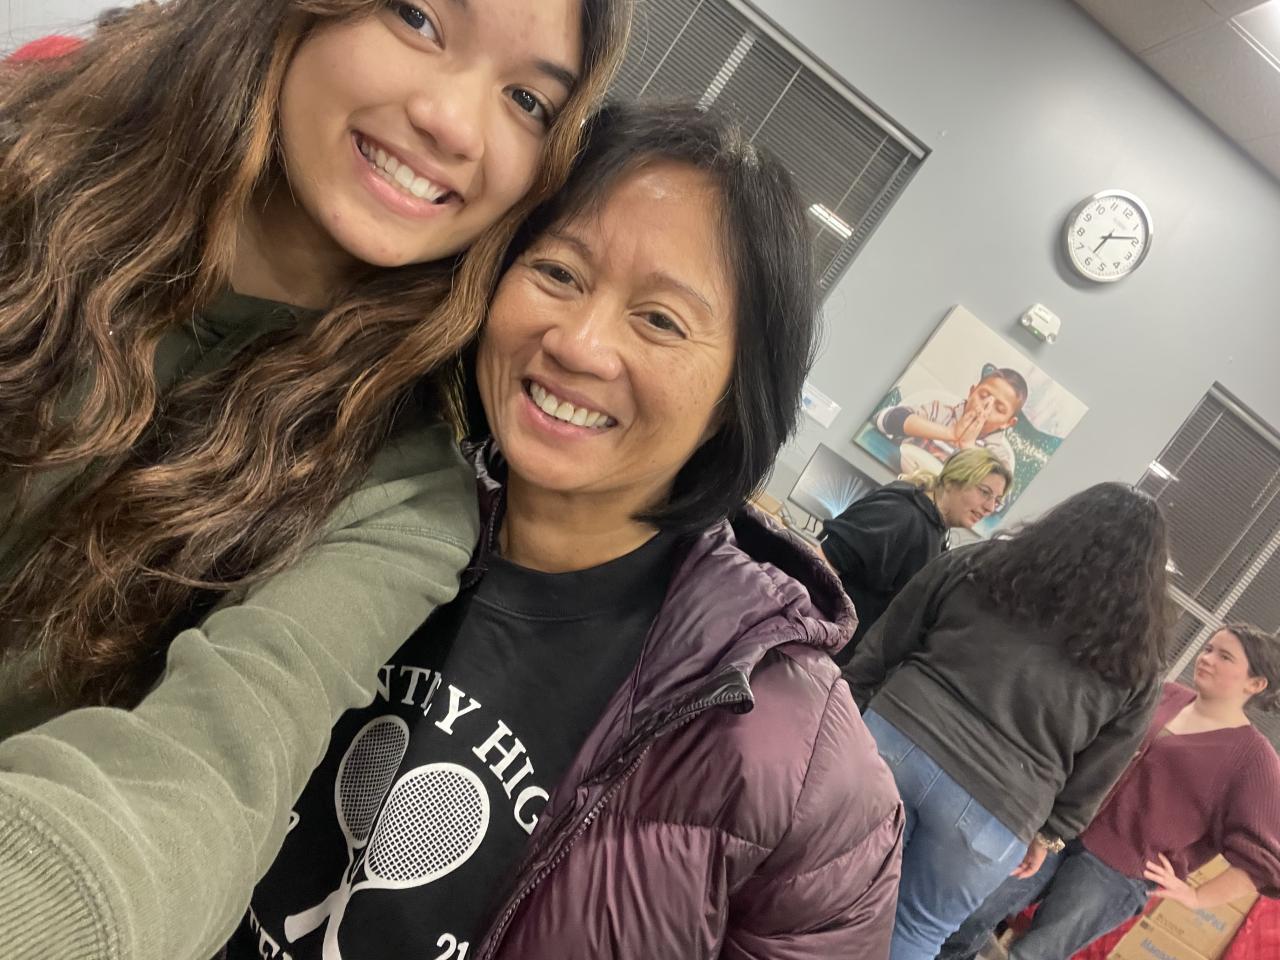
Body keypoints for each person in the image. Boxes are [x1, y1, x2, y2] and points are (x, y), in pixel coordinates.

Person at [0, 2, 631, 958]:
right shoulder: (29, 168)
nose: (454, 126)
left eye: (528, 100)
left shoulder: (400, 493)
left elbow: (211, 775)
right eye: (419, 18)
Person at [227, 101, 904, 960]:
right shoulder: (325, 495)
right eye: (558, 272)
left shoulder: (803, 770)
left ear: (739, 396)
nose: (579, 343)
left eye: (660, 320)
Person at [843, 482, 1173, 960]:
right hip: (999, 808)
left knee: (823, 883)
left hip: (896, 740)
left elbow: (894, 632)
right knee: (916, 930)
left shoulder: (983, 565)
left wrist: (849, 698)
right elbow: (1104, 765)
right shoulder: (1137, 662)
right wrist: (1051, 832)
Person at [941, 623, 1280, 960]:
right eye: (1208, 649)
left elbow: (1266, 863)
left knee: (1035, 954)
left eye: (1224, 657)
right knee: (969, 913)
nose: (1207, 659)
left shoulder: (1253, 758)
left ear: (1255, 683)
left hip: (1116, 874)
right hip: (1061, 832)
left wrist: (1198, 897)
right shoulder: (1166, 694)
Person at [820, 447, 1011, 664]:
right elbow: (821, 563)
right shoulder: (900, 513)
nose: (989, 507)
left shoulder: (937, 532)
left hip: (845, 660)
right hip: (819, 652)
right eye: (984, 492)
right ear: (951, 481)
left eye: (997, 500)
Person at [875, 363, 1027, 476]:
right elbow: (885, 418)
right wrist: (950, 433)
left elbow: (996, 494)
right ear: (972, 392)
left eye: (999, 408)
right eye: (983, 396)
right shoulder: (938, 412)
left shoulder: (999, 455)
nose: (985, 408)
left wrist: (968, 446)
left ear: (1008, 422)